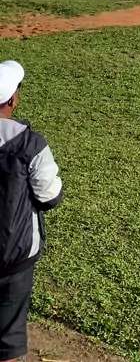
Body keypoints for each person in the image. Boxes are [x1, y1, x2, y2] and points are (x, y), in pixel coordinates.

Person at [0, 60, 63, 362]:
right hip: (15, 256)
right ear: (13, 99)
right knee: (8, 338)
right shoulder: (31, 144)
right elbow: (50, 196)